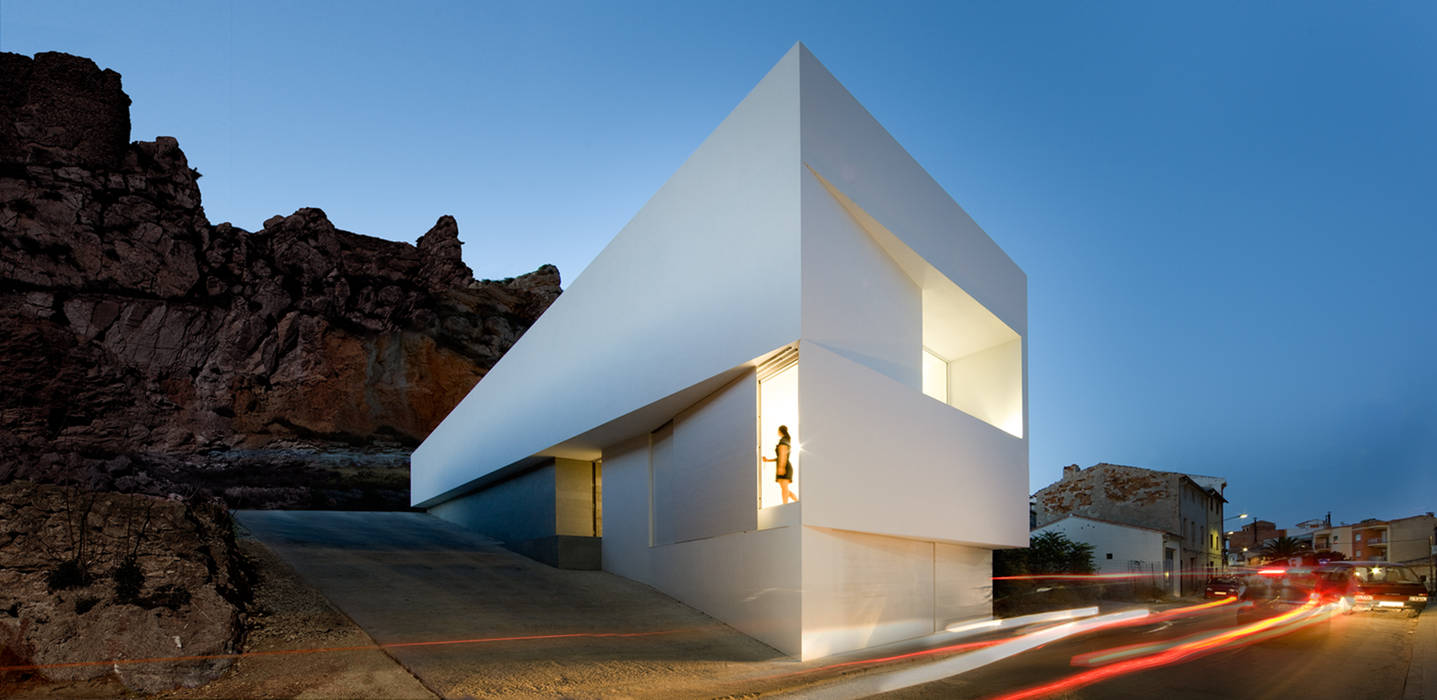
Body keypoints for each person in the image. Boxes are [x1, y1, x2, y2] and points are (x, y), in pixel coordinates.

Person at [761, 425, 797, 504]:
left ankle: (785, 505)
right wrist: (768, 460)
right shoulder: (785, 440)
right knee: (785, 488)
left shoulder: (783, 441)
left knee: (784, 488)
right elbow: (779, 457)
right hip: (783, 465)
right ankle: (796, 501)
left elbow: (783, 453)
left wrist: (781, 467)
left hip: (784, 466)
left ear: (780, 431)